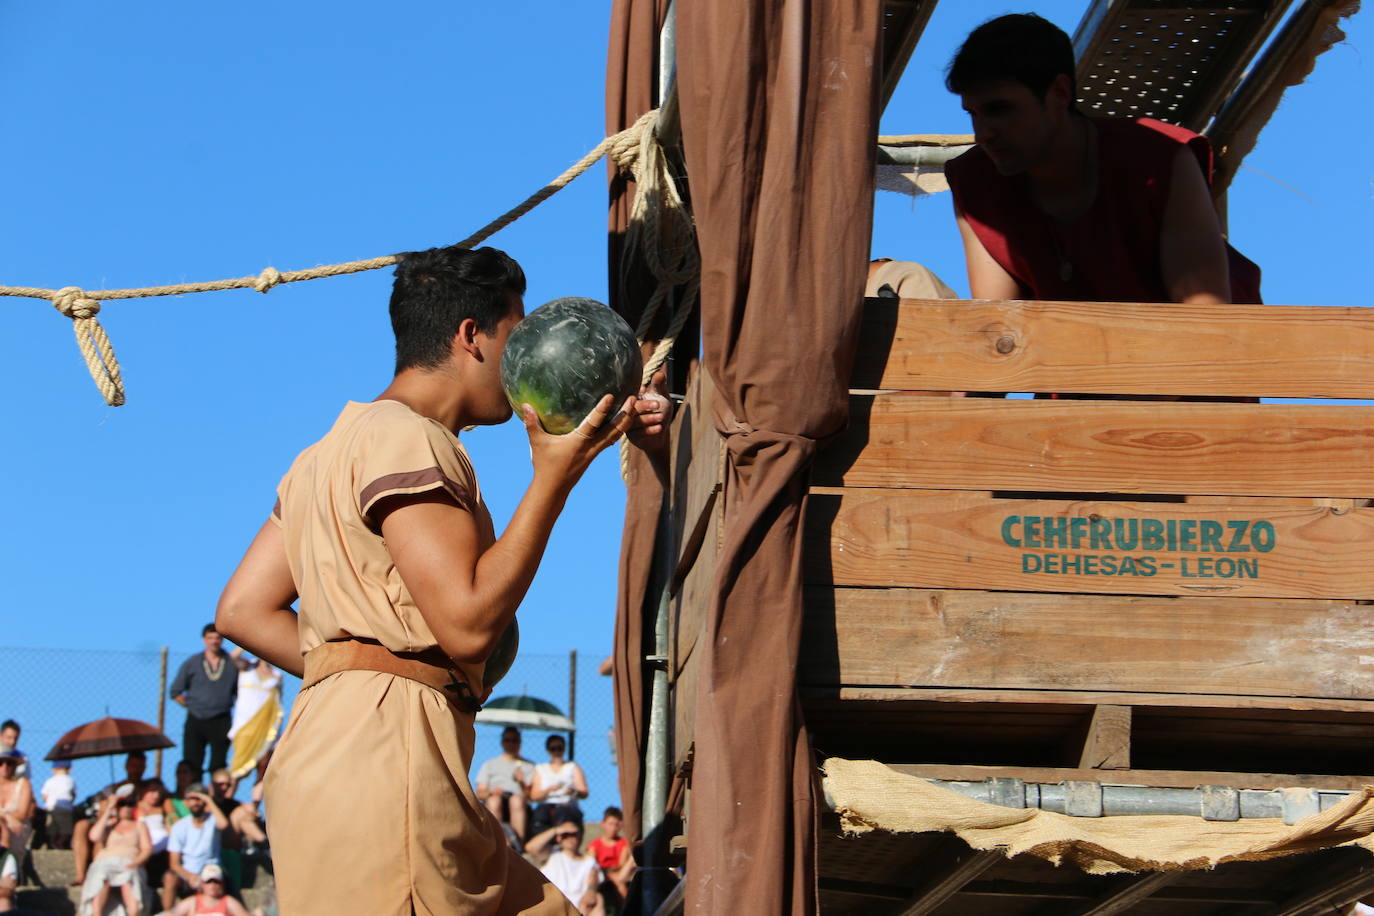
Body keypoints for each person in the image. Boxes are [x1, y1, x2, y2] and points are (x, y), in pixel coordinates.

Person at [215, 245, 637, 915]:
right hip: (386, 765)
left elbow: (241, 610)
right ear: (472, 335)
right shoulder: (412, 438)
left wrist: (357, 667)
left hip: (333, 757)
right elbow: (468, 626)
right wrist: (553, 479)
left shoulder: (320, 456)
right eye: (514, 333)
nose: (521, 356)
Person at [944, 13, 1261, 307]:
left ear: (1059, 93)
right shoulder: (973, 179)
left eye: (1000, 109)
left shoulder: (1160, 156)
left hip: (1211, 358)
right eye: (973, 114)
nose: (982, 134)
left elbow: (1204, 316)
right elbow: (998, 324)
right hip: (1069, 358)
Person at [171, 625, 238, 779]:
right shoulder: (192, 663)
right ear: (204, 640)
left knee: (219, 763)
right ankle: (193, 795)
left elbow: (241, 691)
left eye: (217, 638)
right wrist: (191, 705)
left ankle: (217, 796)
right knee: (192, 762)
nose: (214, 641)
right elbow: (175, 692)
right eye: (210, 638)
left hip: (221, 718)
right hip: (196, 718)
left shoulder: (231, 663)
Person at [72, 751, 147, 887]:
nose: (136, 769)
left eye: (140, 766)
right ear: (126, 766)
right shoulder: (113, 788)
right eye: (133, 765)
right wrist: (110, 806)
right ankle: (81, 875)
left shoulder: (149, 789)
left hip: (132, 826)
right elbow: (101, 808)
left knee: (101, 840)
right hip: (110, 822)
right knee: (81, 826)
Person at [80, 788, 152, 916]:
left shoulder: (140, 825)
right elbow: (94, 836)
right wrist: (109, 810)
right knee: (102, 874)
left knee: (129, 877)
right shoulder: (110, 824)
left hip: (130, 862)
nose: (126, 808)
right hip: (106, 861)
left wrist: (136, 863)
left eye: (130, 804)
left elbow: (147, 849)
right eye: (122, 804)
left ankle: (134, 912)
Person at [226, 649, 282, 784]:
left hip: (266, 725)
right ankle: (227, 797)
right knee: (239, 764)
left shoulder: (277, 675)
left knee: (263, 766)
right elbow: (232, 657)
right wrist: (250, 642)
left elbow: (278, 703)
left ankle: (255, 801)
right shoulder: (247, 666)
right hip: (245, 723)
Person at [166, 784, 227, 902]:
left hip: (211, 869)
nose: (195, 803)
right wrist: (190, 877)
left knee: (214, 879)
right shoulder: (179, 826)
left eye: (198, 799)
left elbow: (223, 824)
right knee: (169, 878)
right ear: (186, 802)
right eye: (191, 799)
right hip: (188, 872)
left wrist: (209, 800)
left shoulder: (213, 820)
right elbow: (174, 863)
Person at [526, 821, 601, 913]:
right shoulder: (552, 854)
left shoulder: (589, 861)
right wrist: (556, 830)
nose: (569, 838)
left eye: (573, 834)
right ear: (558, 837)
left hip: (580, 907)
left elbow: (594, 879)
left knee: (599, 900)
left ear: (580, 836)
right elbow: (531, 847)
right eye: (565, 834)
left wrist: (591, 891)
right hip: (553, 906)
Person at [476, 727, 534, 843]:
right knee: (494, 801)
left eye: (514, 740)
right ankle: (497, 841)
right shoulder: (490, 765)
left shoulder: (529, 766)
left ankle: (517, 844)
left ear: (520, 742)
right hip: (495, 802)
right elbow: (479, 793)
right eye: (508, 740)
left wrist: (521, 781)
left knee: (516, 800)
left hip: (520, 805)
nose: (511, 744)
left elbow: (532, 796)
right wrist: (491, 792)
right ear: (502, 742)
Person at [529, 734, 588, 834]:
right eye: (553, 748)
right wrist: (549, 790)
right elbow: (534, 796)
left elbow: (584, 792)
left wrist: (573, 791)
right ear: (548, 750)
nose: (557, 752)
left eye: (560, 748)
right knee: (540, 815)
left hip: (566, 804)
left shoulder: (572, 767)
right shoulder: (541, 769)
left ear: (564, 749)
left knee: (563, 811)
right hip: (546, 805)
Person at [586, 807, 634, 902]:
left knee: (620, 882)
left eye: (616, 825)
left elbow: (622, 864)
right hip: (600, 874)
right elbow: (591, 864)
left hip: (620, 875)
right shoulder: (594, 845)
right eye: (610, 824)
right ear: (603, 824)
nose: (613, 828)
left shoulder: (623, 844)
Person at [165, 863, 250, 916]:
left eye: (216, 881)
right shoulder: (192, 902)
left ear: (223, 884)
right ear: (202, 884)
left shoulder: (228, 902)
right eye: (208, 881)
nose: (212, 885)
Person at [39, 760, 76, 850]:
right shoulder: (71, 780)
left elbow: (44, 795)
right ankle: (60, 842)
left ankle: (52, 844)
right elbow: (73, 794)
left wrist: (47, 802)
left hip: (50, 808)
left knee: (51, 828)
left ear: (53, 770)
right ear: (69, 769)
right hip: (65, 808)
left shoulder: (50, 781)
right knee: (66, 829)